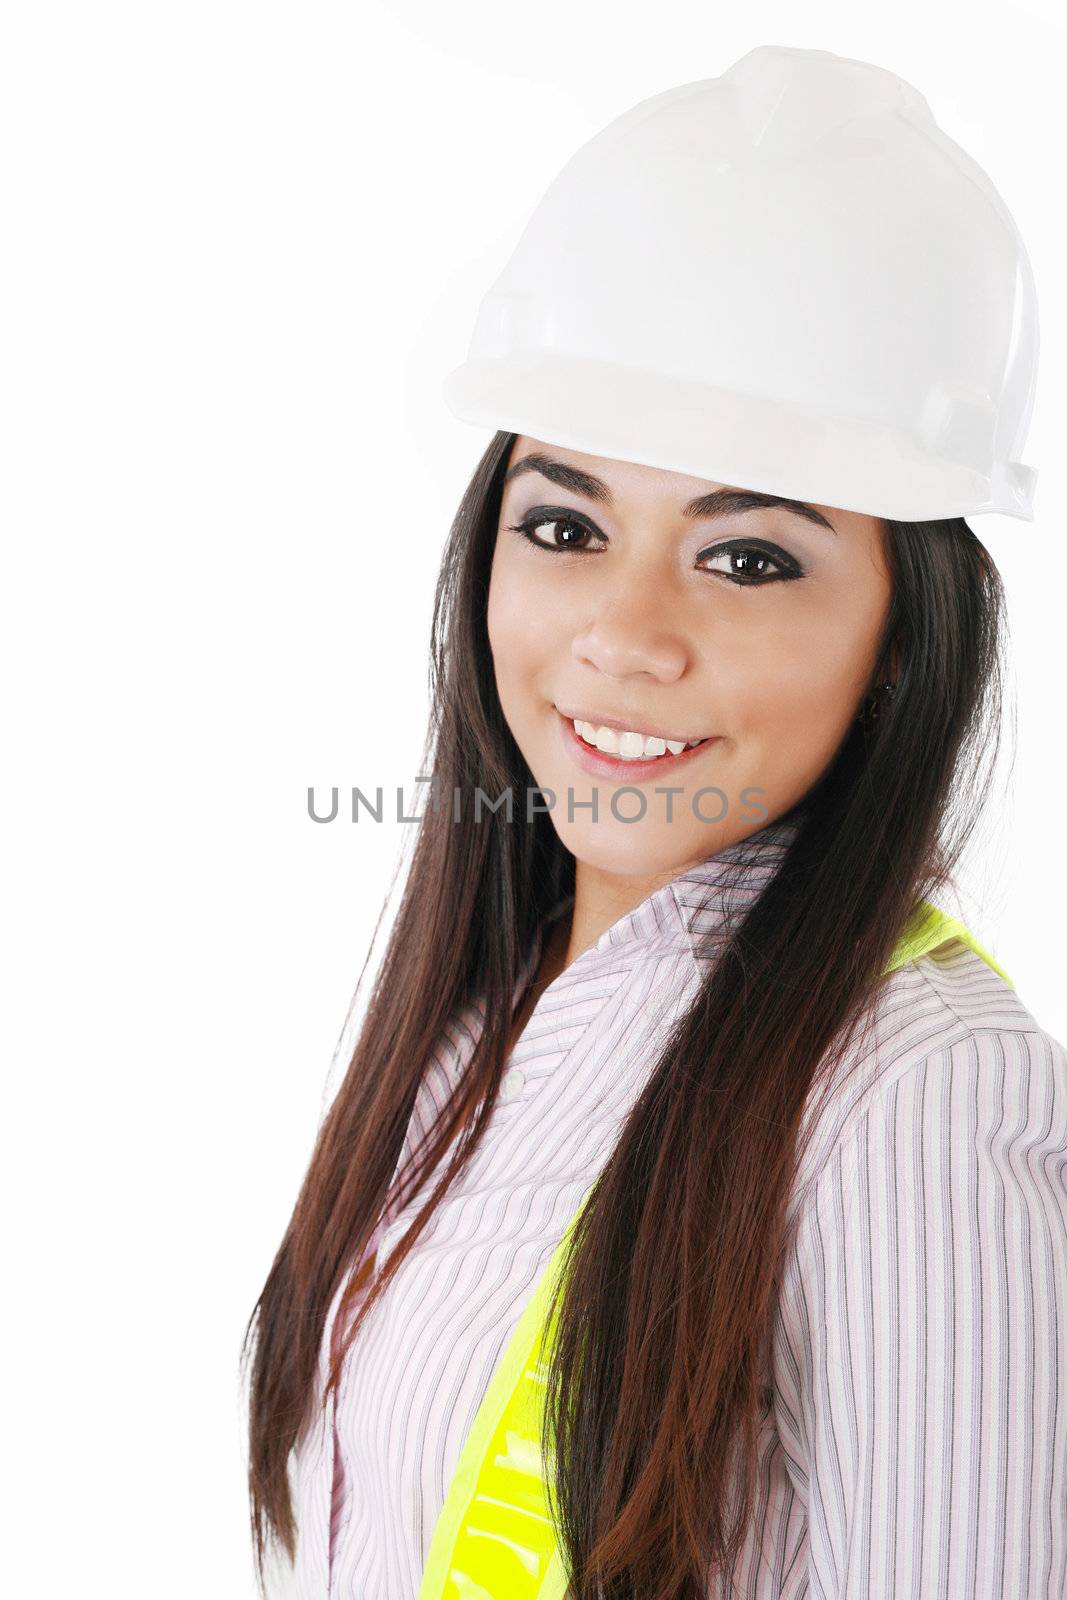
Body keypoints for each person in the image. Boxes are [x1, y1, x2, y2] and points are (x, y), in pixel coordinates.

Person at [243, 45, 1067, 1600]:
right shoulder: (484, 1017)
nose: (624, 633)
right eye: (566, 525)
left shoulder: (915, 1101)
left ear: (908, 631)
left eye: (748, 557)